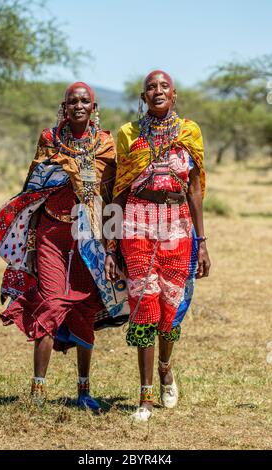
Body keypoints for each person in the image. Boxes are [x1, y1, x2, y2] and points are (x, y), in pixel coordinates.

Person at [0, 82, 128, 409]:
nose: (79, 105)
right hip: (51, 234)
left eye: (85, 101)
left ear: (94, 107)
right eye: (72, 101)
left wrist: (111, 247)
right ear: (64, 106)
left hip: (89, 236)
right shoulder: (49, 140)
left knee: (84, 307)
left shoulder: (107, 144)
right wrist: (26, 244)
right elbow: (33, 188)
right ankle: (37, 392)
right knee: (52, 303)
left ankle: (84, 391)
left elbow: (111, 199)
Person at [105, 70, 211, 421]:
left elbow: (194, 188)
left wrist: (202, 241)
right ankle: (145, 396)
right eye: (151, 86)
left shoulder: (189, 132)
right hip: (136, 222)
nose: (157, 90)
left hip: (178, 224)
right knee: (144, 306)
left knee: (170, 305)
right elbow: (117, 190)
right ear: (143, 95)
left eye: (164, 85)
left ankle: (166, 368)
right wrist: (110, 245)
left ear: (174, 94)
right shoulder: (128, 134)